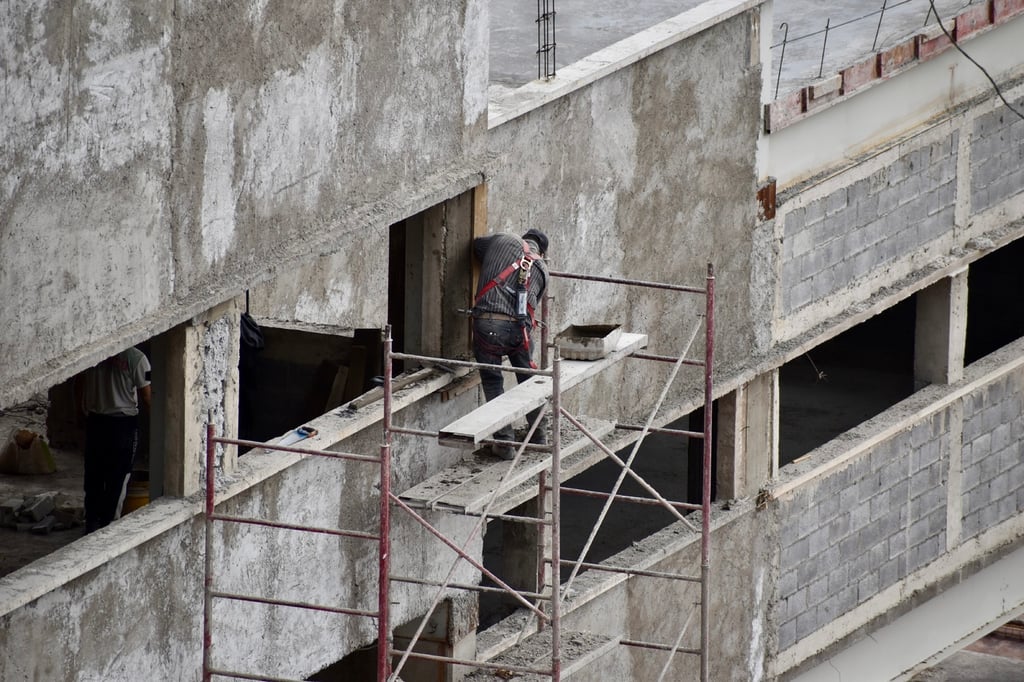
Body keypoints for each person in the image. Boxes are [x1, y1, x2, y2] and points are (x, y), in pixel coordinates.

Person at [472, 228, 550, 459]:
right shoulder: (543, 269)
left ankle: (505, 443)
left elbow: (477, 246)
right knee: (528, 381)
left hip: (488, 324)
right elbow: (533, 301)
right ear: (541, 252)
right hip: (520, 332)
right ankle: (539, 435)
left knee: (493, 380)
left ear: (524, 237)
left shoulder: (504, 239)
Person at [80, 347, 151, 533]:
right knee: (119, 475)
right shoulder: (136, 358)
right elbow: (147, 395)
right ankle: (108, 525)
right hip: (122, 424)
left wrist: (83, 411)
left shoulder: (94, 352)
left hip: (96, 420)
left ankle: (91, 521)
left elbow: (78, 385)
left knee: (94, 474)